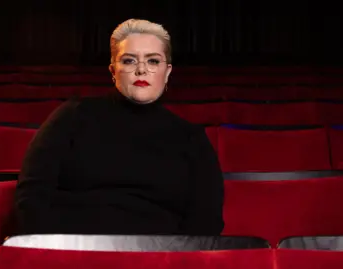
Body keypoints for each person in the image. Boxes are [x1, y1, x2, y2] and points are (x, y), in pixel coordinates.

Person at [14, 18, 224, 237]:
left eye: (153, 61)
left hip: (159, 259)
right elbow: (31, 199)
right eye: (129, 61)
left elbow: (206, 224)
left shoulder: (191, 139)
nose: (141, 70)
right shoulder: (72, 117)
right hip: (72, 252)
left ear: (167, 71)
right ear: (113, 70)